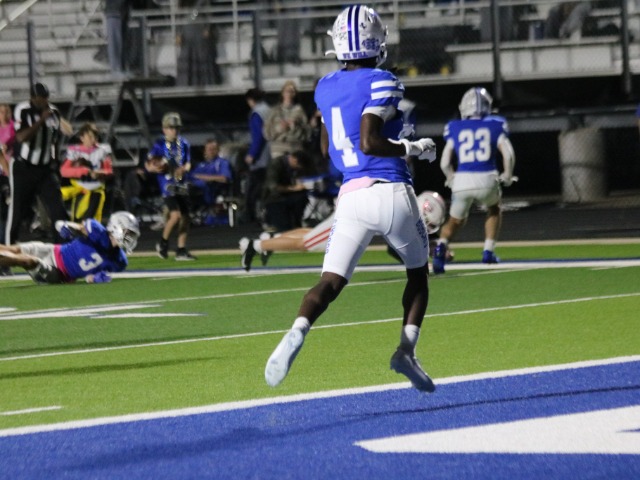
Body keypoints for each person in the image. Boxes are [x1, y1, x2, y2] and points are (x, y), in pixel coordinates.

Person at [264, 5, 438, 393]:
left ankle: (298, 329)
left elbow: (329, 148)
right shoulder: (383, 80)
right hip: (390, 190)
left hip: (351, 196)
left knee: (329, 282)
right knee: (417, 274)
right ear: (377, 43)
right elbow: (370, 141)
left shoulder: (325, 86)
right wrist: (413, 147)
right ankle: (406, 351)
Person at [240, 191, 447, 272]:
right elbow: (394, 248)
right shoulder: (404, 210)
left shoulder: (406, 202)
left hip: (354, 204)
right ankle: (255, 245)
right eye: (428, 223)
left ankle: (271, 239)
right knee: (309, 244)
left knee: (313, 234)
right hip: (352, 214)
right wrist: (422, 265)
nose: (426, 228)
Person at [432, 87, 516, 275]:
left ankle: (441, 248)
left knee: (455, 220)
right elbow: (508, 155)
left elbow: (444, 161)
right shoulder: (496, 124)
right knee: (494, 209)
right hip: (487, 178)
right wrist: (508, 175)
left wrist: (450, 177)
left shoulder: (454, 126)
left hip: (462, 179)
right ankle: (488, 251)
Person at [6, 83, 73, 245]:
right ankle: (6, 252)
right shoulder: (23, 109)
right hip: (23, 168)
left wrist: (54, 163)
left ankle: (63, 251)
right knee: (17, 212)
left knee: (58, 211)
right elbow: (21, 137)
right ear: (33, 98)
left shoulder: (53, 111)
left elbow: (58, 138)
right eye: (40, 98)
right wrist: (41, 120)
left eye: (46, 98)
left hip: (45, 170)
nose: (44, 101)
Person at [0, 211, 139, 284]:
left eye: (132, 235)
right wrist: (66, 226)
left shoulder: (119, 261)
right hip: (54, 250)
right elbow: (77, 227)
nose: (130, 238)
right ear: (116, 227)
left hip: (59, 273)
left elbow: (90, 278)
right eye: (128, 233)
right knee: (12, 250)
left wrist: (94, 279)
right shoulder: (97, 231)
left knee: (29, 261)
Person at [146, 112, 196, 261]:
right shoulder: (159, 144)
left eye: (176, 128)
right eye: (171, 128)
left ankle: (181, 249)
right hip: (167, 185)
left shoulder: (184, 143)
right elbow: (149, 164)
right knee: (175, 215)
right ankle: (163, 242)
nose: (174, 131)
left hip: (181, 183)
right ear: (164, 129)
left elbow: (188, 162)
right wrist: (155, 168)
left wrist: (184, 169)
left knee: (186, 217)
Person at [60, 122, 114, 222]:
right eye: (90, 136)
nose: (93, 139)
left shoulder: (103, 150)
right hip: (80, 191)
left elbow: (109, 171)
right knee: (77, 221)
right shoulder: (75, 151)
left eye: (95, 136)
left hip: (96, 191)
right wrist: (84, 171)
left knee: (90, 222)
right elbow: (64, 171)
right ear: (82, 137)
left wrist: (99, 173)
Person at [262, 150, 312, 232]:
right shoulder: (275, 164)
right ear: (294, 160)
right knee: (284, 228)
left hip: (288, 195)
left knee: (302, 196)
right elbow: (273, 187)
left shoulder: (295, 168)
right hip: (274, 198)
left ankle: (297, 222)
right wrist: (293, 188)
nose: (298, 169)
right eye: (298, 166)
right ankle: (269, 219)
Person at [176, 0, 223, 86]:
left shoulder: (203, 1)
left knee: (202, 56)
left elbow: (208, 14)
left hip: (200, 32)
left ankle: (206, 82)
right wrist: (178, 33)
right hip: (187, 33)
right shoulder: (182, 2)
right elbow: (179, 17)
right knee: (187, 57)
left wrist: (207, 28)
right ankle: (187, 83)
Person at [242, 88, 271, 225]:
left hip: (261, 158)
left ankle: (251, 218)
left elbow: (258, 136)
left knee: (254, 189)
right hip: (272, 154)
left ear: (250, 100)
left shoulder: (256, 113)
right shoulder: (269, 110)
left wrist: (252, 154)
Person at [188, 138, 233, 223]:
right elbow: (192, 176)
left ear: (218, 150)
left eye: (214, 149)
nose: (211, 151)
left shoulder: (222, 163)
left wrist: (204, 177)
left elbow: (224, 178)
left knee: (205, 184)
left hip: (213, 192)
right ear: (205, 151)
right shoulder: (201, 165)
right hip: (195, 194)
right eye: (209, 149)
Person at [263, 80, 310, 160]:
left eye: (292, 92)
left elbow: (307, 132)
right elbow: (267, 131)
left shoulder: (300, 111)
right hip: (278, 148)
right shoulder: (274, 111)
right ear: (282, 93)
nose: (289, 94)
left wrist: (293, 126)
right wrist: (279, 128)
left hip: (295, 147)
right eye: (287, 91)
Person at [0, 103, 15, 265]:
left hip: (8, 175)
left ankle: (5, 255)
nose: (3, 114)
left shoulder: (14, 128)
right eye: (1, 112)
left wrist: (10, 178)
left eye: (6, 111)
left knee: (4, 216)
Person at [104, 0, 131, 79]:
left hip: (123, 9)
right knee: (115, 41)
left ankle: (123, 68)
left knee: (123, 41)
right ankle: (115, 69)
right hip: (114, 9)